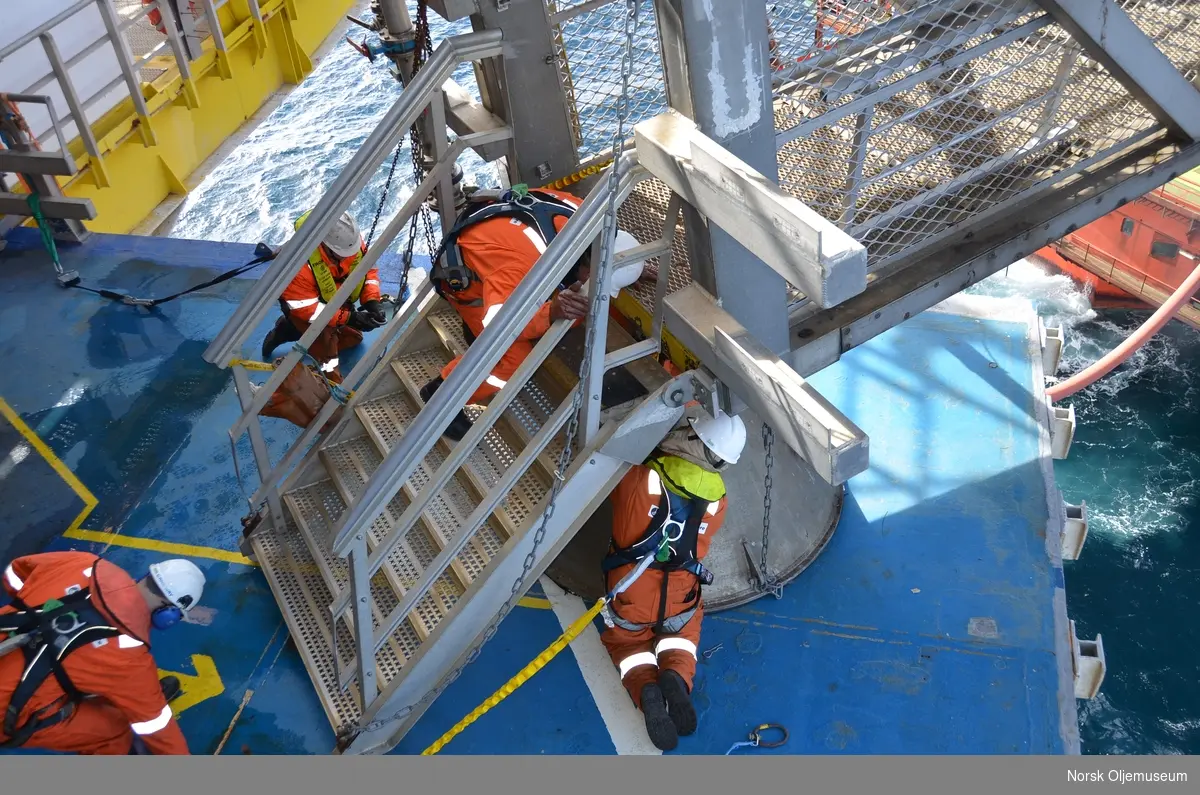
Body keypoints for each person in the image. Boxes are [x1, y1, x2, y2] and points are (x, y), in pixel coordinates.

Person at [420, 185, 654, 440]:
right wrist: (550, 313)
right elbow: (500, 325)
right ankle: (442, 396)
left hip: (493, 248)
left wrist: (632, 265)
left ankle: (474, 332)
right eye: (597, 278)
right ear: (588, 264)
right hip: (473, 291)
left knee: (570, 310)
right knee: (514, 361)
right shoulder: (519, 265)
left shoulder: (585, 214)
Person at [599, 407, 747, 751]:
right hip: (681, 591)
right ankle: (675, 677)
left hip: (631, 589)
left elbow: (607, 473)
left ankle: (644, 686)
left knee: (627, 644)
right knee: (683, 635)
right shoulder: (718, 500)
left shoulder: (639, 478)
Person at [0, 552, 206, 755]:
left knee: (81, 676)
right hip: (6, 713)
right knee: (114, 729)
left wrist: (27, 601)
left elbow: (15, 572)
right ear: (168, 614)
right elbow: (157, 727)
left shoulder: (83, 562)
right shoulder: (128, 658)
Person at [260, 209, 387, 368]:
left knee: (353, 339)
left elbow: (368, 270)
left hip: (334, 302)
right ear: (324, 245)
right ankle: (286, 330)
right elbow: (309, 310)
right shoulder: (295, 266)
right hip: (307, 311)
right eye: (342, 255)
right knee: (327, 349)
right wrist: (349, 318)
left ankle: (293, 330)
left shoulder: (347, 243)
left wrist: (372, 301)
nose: (349, 257)